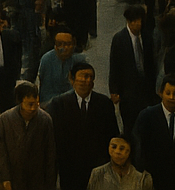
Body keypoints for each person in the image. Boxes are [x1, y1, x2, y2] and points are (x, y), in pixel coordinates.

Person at [47, 60, 120, 190]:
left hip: (97, 166)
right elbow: (54, 137)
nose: (85, 81)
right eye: (82, 77)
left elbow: (112, 134)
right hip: (69, 166)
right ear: (72, 79)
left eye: (89, 77)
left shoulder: (104, 104)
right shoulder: (59, 104)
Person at [0, 81, 58, 190]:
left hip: (37, 179)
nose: (33, 108)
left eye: (36, 104)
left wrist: (50, 183)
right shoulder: (5, 120)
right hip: (13, 178)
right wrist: (4, 178)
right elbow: (0, 152)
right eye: (29, 104)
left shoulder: (45, 120)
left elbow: (50, 153)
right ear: (20, 102)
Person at [109, 6, 159, 128]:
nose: (138, 24)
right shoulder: (119, 39)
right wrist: (114, 90)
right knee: (130, 124)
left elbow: (152, 63)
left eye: (140, 21)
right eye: (135, 21)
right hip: (128, 90)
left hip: (146, 89)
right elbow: (114, 65)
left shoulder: (147, 37)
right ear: (128, 21)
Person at [37, 28, 93, 103]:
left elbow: (83, 88)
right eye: (59, 44)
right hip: (49, 103)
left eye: (67, 44)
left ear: (74, 44)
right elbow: (44, 90)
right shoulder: (46, 59)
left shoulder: (81, 60)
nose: (63, 48)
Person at [85, 136, 153, 190]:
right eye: (114, 147)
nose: (117, 151)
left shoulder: (142, 179)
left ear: (129, 152)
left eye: (122, 148)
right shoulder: (97, 174)